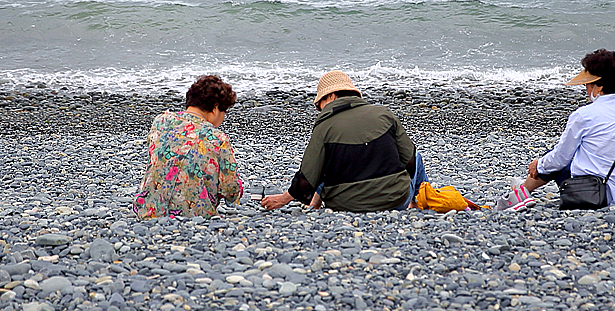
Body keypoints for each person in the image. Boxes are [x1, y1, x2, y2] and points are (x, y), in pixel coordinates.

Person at [260, 70, 428, 212]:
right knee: (416, 154)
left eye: (321, 104)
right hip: (395, 201)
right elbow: (410, 160)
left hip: (345, 204)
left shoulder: (324, 125)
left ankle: (315, 203)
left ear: (332, 96)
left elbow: (308, 176)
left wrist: (282, 199)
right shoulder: (385, 114)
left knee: (326, 161)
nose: (320, 110)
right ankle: (420, 201)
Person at [512, 49, 615, 206]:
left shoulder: (585, 115)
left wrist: (538, 164)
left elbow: (559, 159)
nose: (587, 90)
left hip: (595, 195)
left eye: (587, 85)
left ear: (599, 86)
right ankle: (522, 190)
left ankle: (521, 191)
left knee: (557, 158)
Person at [135, 75, 243, 219]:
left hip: (149, 209)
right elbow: (230, 189)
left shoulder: (161, 121)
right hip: (194, 215)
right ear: (215, 108)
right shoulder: (218, 138)